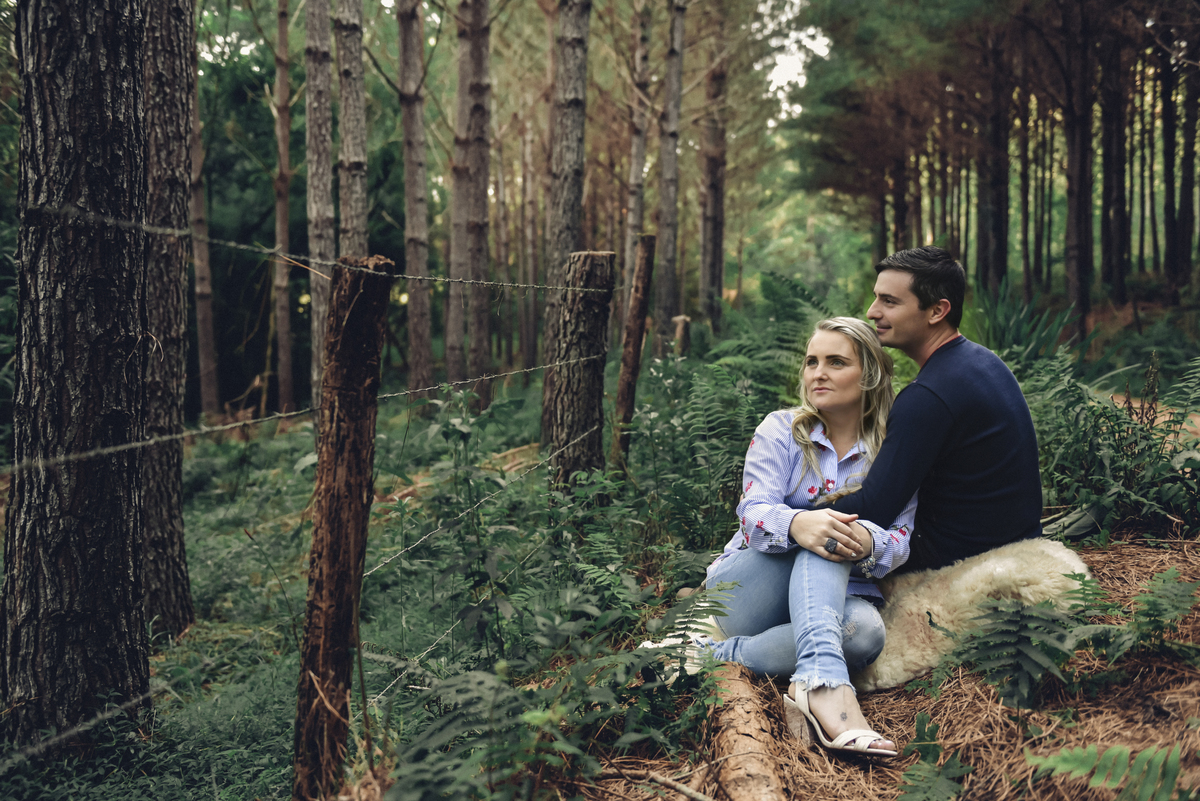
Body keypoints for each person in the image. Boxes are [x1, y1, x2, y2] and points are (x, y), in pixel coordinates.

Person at [699, 317, 918, 757]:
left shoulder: (893, 451)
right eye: (811, 361)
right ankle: (826, 685)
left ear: (871, 373)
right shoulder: (781, 429)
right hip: (749, 592)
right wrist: (801, 524)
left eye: (836, 362)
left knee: (864, 634)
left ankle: (712, 655)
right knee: (825, 532)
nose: (818, 372)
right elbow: (753, 513)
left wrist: (868, 543)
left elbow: (901, 539)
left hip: (832, 602)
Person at [827, 246, 1042, 571]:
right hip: (1012, 544)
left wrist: (790, 516)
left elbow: (871, 510)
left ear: (937, 311)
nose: (872, 312)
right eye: (876, 298)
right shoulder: (982, 361)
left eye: (889, 301)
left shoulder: (928, 396)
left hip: (960, 563)